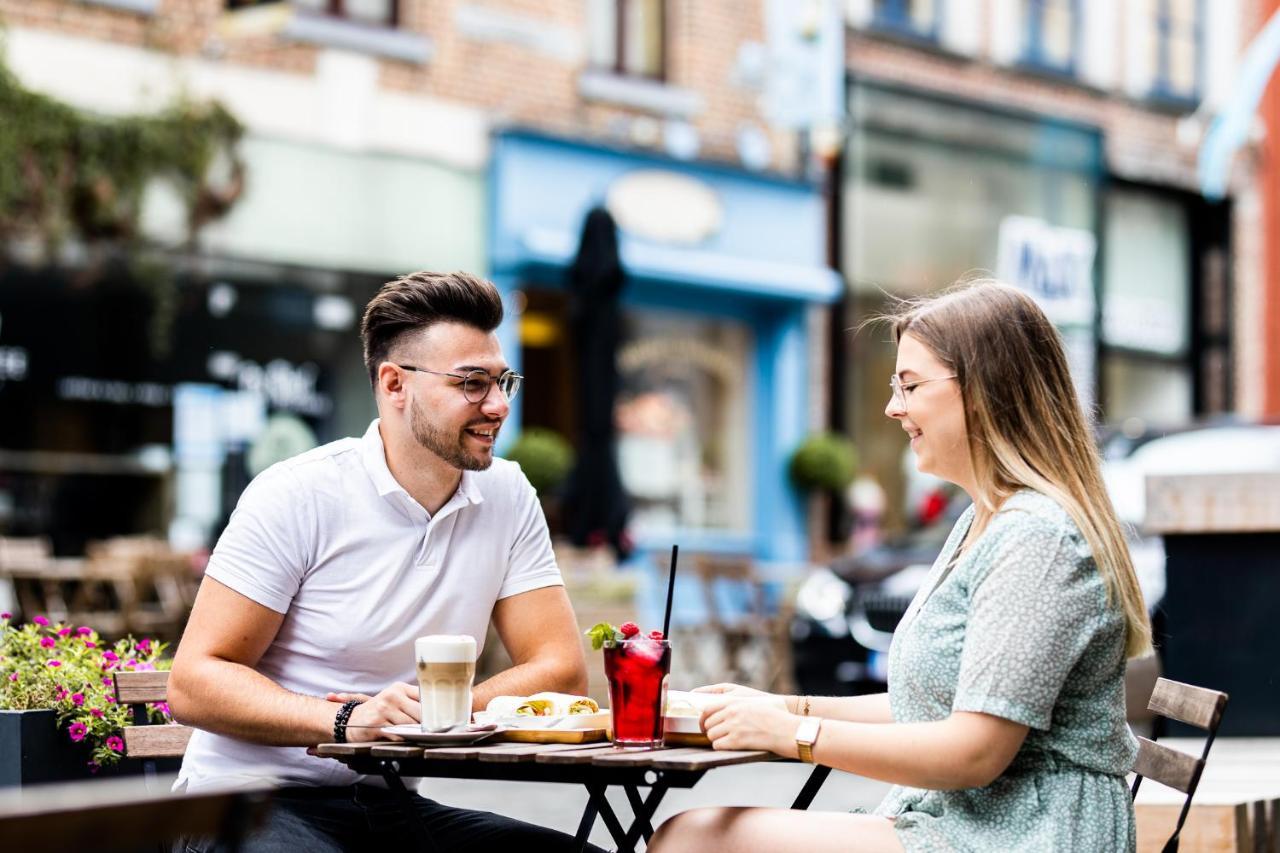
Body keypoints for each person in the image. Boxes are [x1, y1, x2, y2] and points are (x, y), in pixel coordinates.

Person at [649, 280, 1153, 853]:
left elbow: (975, 751)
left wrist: (794, 733)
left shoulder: (1036, 539)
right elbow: (932, 705)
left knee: (695, 839)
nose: (893, 407)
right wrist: (782, 706)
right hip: (973, 822)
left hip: (1024, 834)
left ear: (986, 391)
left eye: (910, 385)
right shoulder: (985, 520)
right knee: (695, 834)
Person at [169, 270, 604, 852]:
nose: (498, 405)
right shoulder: (299, 492)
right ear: (395, 384)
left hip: (389, 805)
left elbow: (558, 667)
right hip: (245, 803)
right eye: (472, 383)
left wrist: (434, 713)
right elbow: (193, 682)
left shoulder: (509, 494)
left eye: (504, 382)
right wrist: (348, 721)